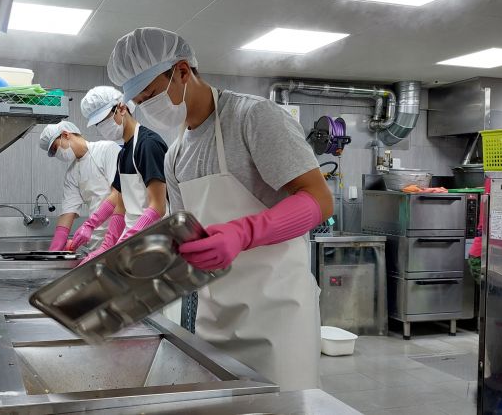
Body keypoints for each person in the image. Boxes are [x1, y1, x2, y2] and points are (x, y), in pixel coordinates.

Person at [107, 27, 334, 391]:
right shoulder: (176, 155)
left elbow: (319, 200)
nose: (146, 108)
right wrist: (129, 280)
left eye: (150, 95)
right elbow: (184, 240)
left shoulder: (253, 117)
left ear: (182, 71)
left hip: (278, 318)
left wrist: (244, 232)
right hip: (215, 319)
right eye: (139, 101)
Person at [78, 86, 170, 264]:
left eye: (104, 120)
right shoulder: (123, 153)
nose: (102, 127)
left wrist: (127, 241)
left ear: (121, 108)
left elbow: (158, 207)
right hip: (135, 244)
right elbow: (120, 206)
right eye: (98, 124)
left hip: (155, 243)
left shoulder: (148, 145)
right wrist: (107, 246)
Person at [38, 120, 119, 252]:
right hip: (97, 242)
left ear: (65, 135)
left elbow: (119, 194)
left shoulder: (107, 149)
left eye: (55, 148)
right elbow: (67, 213)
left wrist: (90, 225)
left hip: (121, 237)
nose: (57, 154)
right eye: (53, 152)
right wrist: (54, 251)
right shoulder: (72, 173)